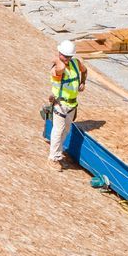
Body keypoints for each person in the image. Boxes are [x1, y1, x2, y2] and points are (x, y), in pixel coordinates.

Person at [46, 40, 85, 170]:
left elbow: (84, 70)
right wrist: (57, 60)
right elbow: (61, 68)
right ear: (59, 53)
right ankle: (53, 158)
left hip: (72, 104)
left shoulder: (75, 63)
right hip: (61, 104)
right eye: (64, 56)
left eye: (69, 56)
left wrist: (83, 82)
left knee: (65, 130)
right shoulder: (56, 68)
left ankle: (58, 154)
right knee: (58, 131)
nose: (67, 59)